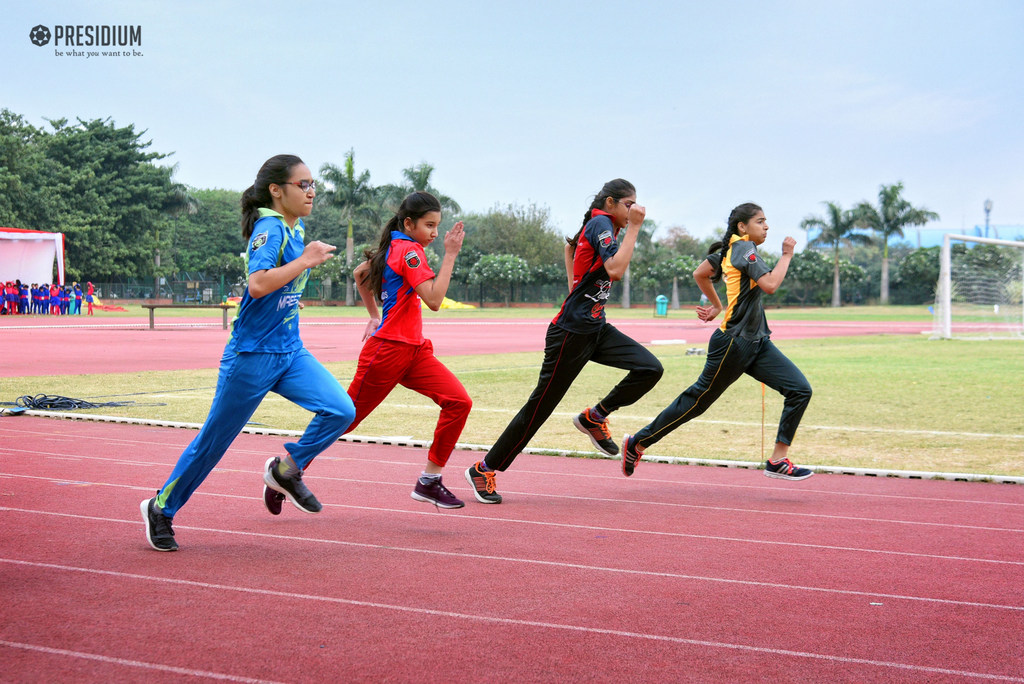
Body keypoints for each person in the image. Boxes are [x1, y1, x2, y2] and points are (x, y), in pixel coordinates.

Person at [141, 154, 356, 552]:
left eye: (313, 185)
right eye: (302, 184)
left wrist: (291, 298)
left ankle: (285, 471)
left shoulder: (296, 227)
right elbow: (257, 284)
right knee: (213, 442)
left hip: (290, 352)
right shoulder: (269, 228)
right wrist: (305, 261)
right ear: (277, 190)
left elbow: (275, 289)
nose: (311, 192)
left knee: (341, 410)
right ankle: (161, 507)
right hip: (252, 357)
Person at [464, 179, 663, 504]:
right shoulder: (602, 222)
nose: (634, 210)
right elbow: (614, 269)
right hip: (570, 333)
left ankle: (594, 417)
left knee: (649, 368)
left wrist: (577, 282)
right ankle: (483, 469)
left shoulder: (601, 225)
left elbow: (572, 250)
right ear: (611, 202)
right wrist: (636, 228)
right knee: (539, 409)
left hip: (595, 328)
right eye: (629, 204)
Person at [621, 202, 814, 481]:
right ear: (742, 227)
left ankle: (778, 460)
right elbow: (770, 285)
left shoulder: (733, 251)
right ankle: (638, 443)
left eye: (766, 221)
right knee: (697, 401)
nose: (767, 226)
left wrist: (716, 304)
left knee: (799, 390)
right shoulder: (744, 249)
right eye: (760, 221)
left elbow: (701, 272)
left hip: (758, 342)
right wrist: (786, 255)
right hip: (733, 344)